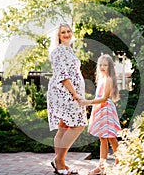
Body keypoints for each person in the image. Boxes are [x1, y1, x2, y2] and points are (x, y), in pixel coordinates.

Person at [47, 23, 87, 175]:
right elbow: (63, 75)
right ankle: (59, 160)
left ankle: (61, 164)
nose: (66, 34)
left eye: (68, 31)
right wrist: (75, 94)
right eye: (63, 32)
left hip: (68, 92)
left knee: (63, 127)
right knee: (79, 124)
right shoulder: (58, 51)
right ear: (58, 35)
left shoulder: (69, 50)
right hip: (64, 93)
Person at [80, 54, 122, 175]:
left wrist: (88, 102)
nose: (103, 67)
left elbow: (103, 98)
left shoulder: (108, 79)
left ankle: (118, 164)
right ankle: (102, 166)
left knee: (111, 138)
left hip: (106, 110)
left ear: (110, 67)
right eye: (101, 65)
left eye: (105, 65)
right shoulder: (102, 79)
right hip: (100, 109)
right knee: (103, 138)